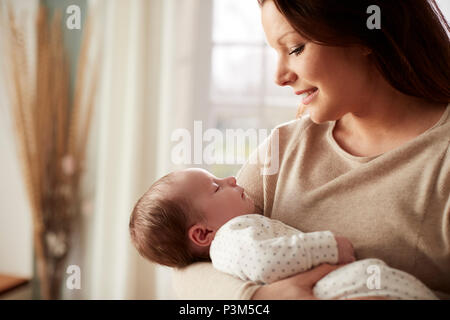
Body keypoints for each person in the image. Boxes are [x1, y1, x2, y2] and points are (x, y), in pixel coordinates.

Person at [172, 0, 450, 300]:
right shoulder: (284, 149)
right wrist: (258, 299)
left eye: (294, 48)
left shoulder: (440, 157)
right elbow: (189, 269)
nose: (279, 76)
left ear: (366, 34)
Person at [129, 168, 438, 300]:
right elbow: (267, 260)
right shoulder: (232, 236)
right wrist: (328, 247)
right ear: (202, 233)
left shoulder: (233, 229)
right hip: (343, 288)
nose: (232, 178)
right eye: (215, 187)